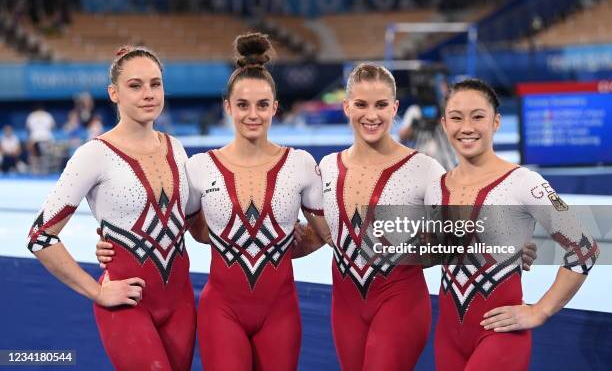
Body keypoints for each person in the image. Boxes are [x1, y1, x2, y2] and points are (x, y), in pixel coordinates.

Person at [96, 33, 331, 371]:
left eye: (263, 105)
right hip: (221, 312)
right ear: (227, 107)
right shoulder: (199, 167)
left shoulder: (301, 164)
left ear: (275, 108)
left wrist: (280, 242)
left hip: (280, 313)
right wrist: (111, 244)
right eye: (243, 105)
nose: (253, 114)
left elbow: (329, 234)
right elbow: (183, 228)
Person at [26, 46, 196, 371]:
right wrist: (97, 292)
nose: (148, 94)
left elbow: (190, 223)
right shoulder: (95, 154)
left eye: (155, 84)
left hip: (181, 302)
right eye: (135, 85)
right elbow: (40, 236)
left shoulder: (175, 147)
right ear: (114, 93)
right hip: (127, 305)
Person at [425, 78, 599, 370]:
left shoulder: (524, 183)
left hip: (501, 337)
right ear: (444, 124)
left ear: (496, 122)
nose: (466, 127)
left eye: (478, 116)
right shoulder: (436, 186)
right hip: (448, 336)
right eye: (456, 118)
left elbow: (585, 248)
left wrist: (541, 310)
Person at [317, 63, 445, 370]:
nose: (371, 115)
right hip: (345, 307)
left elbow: (457, 236)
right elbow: (324, 233)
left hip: (400, 302)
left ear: (396, 107)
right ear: (346, 106)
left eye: (381, 105)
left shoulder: (425, 169)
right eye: (361, 104)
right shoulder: (327, 167)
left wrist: (507, 244)